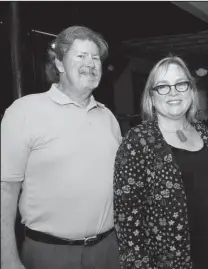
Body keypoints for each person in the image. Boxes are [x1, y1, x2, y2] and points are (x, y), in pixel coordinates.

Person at [1, 26, 122, 269]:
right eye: (81, 55)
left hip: (109, 250)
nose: (91, 63)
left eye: (95, 57)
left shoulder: (108, 117)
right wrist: (7, 258)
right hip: (50, 254)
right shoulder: (24, 111)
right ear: (59, 64)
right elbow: (5, 190)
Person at [113, 55, 208, 269]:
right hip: (166, 262)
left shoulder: (203, 132)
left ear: (191, 90)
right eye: (163, 86)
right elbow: (127, 222)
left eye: (181, 84)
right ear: (151, 96)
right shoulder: (137, 141)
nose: (173, 92)